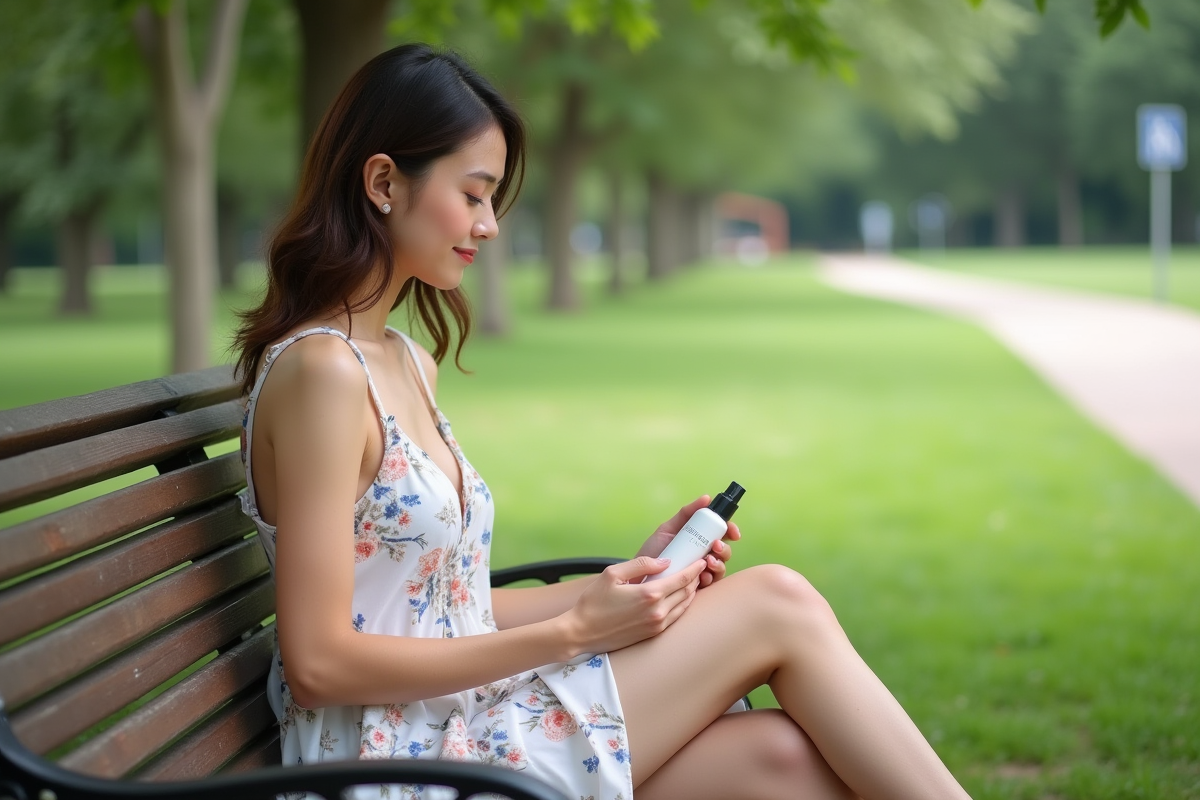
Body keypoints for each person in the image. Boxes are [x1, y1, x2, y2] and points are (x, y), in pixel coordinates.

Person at [233, 43, 972, 800]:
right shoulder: (321, 374)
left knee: (780, 756)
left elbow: (446, 608)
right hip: (395, 761)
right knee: (777, 601)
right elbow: (321, 666)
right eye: (475, 193)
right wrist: (575, 632)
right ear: (384, 182)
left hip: (453, 722)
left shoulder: (402, 360)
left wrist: (624, 580)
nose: (488, 225)